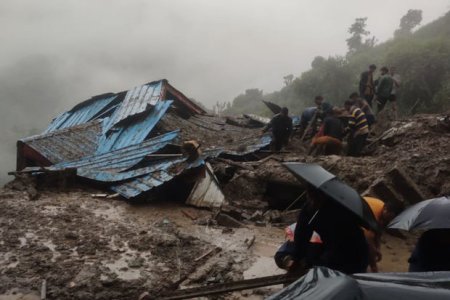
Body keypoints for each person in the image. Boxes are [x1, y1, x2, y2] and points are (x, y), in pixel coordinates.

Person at [291, 186, 369, 274]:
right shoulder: (309, 209)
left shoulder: (341, 208)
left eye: (316, 197)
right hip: (335, 250)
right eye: (310, 196)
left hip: (353, 253)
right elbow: (301, 234)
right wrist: (296, 258)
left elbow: (341, 241)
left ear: (324, 196)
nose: (312, 201)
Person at [363, 198, 401, 272]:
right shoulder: (373, 212)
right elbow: (368, 240)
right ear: (386, 210)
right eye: (390, 218)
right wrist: (374, 267)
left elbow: (378, 231)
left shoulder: (383, 211)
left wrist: (378, 249)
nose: (390, 220)